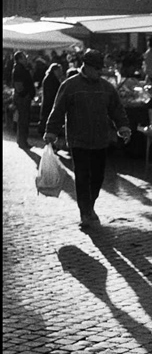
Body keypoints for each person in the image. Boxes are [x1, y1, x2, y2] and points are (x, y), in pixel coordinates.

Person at [43, 49, 131, 230]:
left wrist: (123, 127)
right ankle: (85, 212)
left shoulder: (106, 88)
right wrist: (51, 131)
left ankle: (90, 205)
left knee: (98, 177)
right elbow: (58, 110)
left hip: (100, 140)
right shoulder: (70, 85)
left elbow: (116, 109)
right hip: (78, 140)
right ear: (87, 67)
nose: (100, 72)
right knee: (82, 176)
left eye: (102, 68)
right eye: (97, 68)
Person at [11, 50, 36, 152]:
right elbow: (18, 85)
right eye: (24, 57)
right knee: (23, 120)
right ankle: (22, 142)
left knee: (24, 120)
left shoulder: (21, 68)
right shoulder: (18, 69)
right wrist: (26, 95)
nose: (26, 59)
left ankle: (22, 141)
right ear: (19, 59)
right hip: (23, 98)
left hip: (23, 97)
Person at [38, 63, 65, 135]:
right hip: (50, 102)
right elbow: (54, 91)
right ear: (55, 70)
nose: (61, 73)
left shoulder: (49, 78)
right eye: (60, 71)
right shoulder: (52, 79)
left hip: (48, 101)